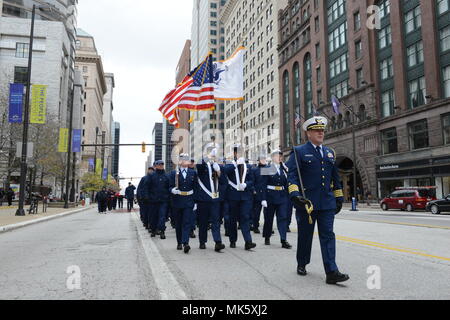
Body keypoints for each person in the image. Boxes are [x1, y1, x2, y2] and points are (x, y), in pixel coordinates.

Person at [286, 116, 349, 285]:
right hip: (307, 203)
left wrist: (339, 197)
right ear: (308, 133)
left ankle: (331, 271)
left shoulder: (330, 153)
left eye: (322, 130)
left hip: (326, 203)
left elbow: (335, 179)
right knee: (306, 236)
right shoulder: (299, 151)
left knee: (328, 235)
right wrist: (295, 195)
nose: (321, 133)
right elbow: (291, 176)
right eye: (317, 130)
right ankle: (302, 262)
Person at [223, 144, 257, 251]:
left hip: (245, 197)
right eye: (238, 153)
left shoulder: (248, 166)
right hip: (233, 196)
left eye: (242, 153)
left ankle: (248, 241)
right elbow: (224, 171)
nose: (240, 155)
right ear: (234, 154)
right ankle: (233, 240)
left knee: (245, 218)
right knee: (232, 220)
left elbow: (252, 180)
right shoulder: (230, 164)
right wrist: (235, 164)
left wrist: (246, 184)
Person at [194, 145, 226, 252]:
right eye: (212, 153)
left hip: (215, 199)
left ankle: (218, 242)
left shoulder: (217, 165)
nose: (214, 155)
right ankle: (202, 242)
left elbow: (223, 182)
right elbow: (199, 167)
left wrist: (219, 172)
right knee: (203, 222)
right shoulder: (202, 163)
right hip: (203, 198)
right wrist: (208, 158)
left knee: (216, 221)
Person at [260, 150, 292, 249]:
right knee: (269, 218)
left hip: (282, 196)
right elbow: (262, 185)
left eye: (281, 156)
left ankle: (283, 240)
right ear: (273, 157)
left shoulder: (284, 169)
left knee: (282, 218)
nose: (280, 158)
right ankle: (267, 236)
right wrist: (263, 199)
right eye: (278, 156)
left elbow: (287, 183)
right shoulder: (267, 168)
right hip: (270, 197)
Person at [169, 154, 198, 254]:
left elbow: (196, 188)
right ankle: (179, 242)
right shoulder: (174, 173)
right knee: (179, 223)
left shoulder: (193, 173)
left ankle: (186, 243)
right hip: (177, 201)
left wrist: (195, 202)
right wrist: (172, 190)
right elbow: (169, 186)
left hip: (189, 200)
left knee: (186, 222)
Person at [146, 161, 170, 239]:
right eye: (159, 164)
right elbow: (147, 187)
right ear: (155, 166)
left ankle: (162, 231)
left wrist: (168, 197)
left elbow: (169, 187)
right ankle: (153, 230)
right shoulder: (151, 175)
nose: (161, 166)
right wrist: (147, 197)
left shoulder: (166, 176)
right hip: (153, 200)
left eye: (162, 164)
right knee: (153, 216)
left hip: (163, 200)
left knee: (162, 216)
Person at [251, 155, 268, 234]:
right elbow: (252, 182)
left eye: (264, 159)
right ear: (259, 161)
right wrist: (254, 190)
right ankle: (255, 226)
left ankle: (268, 227)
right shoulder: (255, 170)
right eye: (262, 159)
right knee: (256, 212)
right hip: (257, 193)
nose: (263, 160)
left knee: (268, 213)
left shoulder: (269, 169)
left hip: (267, 193)